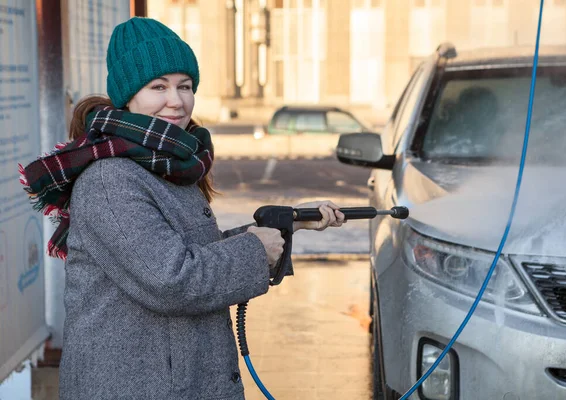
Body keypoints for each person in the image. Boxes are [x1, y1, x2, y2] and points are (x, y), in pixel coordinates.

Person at [19, 17, 345, 400]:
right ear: (128, 96)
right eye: (158, 86)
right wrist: (256, 251)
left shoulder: (168, 162)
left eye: (185, 86)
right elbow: (173, 280)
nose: (176, 100)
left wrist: (287, 224)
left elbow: (187, 253)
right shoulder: (111, 179)